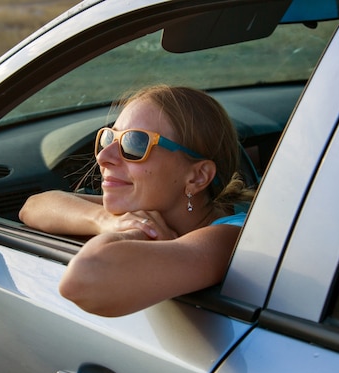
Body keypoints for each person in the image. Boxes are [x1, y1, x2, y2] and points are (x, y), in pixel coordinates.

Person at [19, 85, 255, 317]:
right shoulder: (150, 206)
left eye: (134, 144)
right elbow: (33, 206)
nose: (103, 157)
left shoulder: (229, 239)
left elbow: (83, 280)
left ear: (197, 176)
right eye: (108, 137)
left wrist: (138, 232)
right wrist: (105, 221)